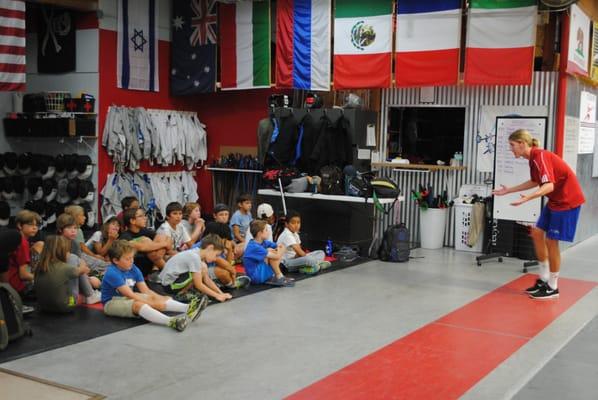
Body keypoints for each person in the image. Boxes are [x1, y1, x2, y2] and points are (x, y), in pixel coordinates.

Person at [493, 129, 585, 300]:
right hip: (555, 201)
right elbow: (536, 181)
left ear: (522, 143)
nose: (511, 149)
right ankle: (543, 279)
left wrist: (527, 198)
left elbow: (548, 186)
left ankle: (553, 287)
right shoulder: (533, 159)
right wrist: (509, 191)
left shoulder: (540, 156)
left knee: (551, 241)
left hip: (567, 201)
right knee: (536, 233)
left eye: (512, 145)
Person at [101, 240, 202, 332]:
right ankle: (170, 321)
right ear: (115, 261)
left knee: (151, 298)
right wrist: (153, 302)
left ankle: (188, 308)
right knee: (139, 304)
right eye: (128, 259)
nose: (131, 261)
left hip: (127, 296)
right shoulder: (112, 273)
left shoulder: (133, 268)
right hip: (111, 302)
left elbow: (146, 291)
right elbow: (131, 295)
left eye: (132, 257)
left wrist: (159, 298)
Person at [158, 234, 232, 303]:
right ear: (210, 248)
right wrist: (217, 296)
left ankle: (185, 291)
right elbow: (198, 284)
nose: (216, 259)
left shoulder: (197, 253)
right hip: (169, 286)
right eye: (216, 255)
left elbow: (207, 279)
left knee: (203, 267)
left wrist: (221, 293)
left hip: (172, 281)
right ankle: (181, 294)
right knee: (202, 268)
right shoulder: (195, 257)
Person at [34, 235, 91, 313]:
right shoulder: (65, 268)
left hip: (43, 306)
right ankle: (89, 294)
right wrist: (80, 261)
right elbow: (84, 269)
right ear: (62, 251)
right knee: (74, 258)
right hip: (65, 306)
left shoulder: (39, 266)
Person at [56, 213, 102, 303]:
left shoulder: (75, 244)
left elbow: (81, 263)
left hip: (74, 276)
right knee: (73, 258)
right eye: (69, 228)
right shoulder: (55, 242)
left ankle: (87, 295)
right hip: (61, 277)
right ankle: (86, 295)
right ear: (60, 230)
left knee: (95, 282)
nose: (73, 231)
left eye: (75, 228)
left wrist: (87, 277)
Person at [198, 222, 251, 290]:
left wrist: (229, 250)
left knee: (226, 270)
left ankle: (221, 283)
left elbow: (228, 264)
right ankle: (233, 284)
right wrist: (232, 272)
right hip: (197, 273)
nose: (226, 241)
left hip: (206, 272)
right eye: (224, 240)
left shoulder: (218, 247)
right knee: (223, 272)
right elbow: (225, 265)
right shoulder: (205, 246)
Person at [119, 208, 172, 275]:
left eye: (144, 215)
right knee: (146, 241)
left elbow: (167, 238)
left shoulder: (144, 230)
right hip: (137, 266)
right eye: (141, 216)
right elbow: (142, 247)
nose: (145, 218)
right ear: (132, 221)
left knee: (161, 237)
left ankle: (155, 269)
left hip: (152, 262)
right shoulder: (125, 236)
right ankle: (168, 273)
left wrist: (164, 245)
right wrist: (164, 244)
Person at [277, 210, 331, 274]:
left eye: (298, 222)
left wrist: (301, 257)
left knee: (321, 253)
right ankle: (315, 265)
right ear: (286, 224)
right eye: (293, 223)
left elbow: (299, 253)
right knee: (309, 260)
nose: (296, 225)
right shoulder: (287, 234)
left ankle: (308, 267)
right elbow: (301, 253)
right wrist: (307, 258)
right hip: (286, 263)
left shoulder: (295, 234)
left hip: (295, 259)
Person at [243, 220, 294, 287]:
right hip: (256, 277)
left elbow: (279, 246)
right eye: (266, 230)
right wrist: (275, 250)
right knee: (272, 254)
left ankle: (276, 276)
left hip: (260, 271)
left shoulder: (264, 242)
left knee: (275, 250)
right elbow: (277, 256)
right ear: (259, 233)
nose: (269, 232)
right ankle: (279, 276)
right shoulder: (254, 247)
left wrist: (275, 249)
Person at [64, 205, 110, 276]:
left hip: (76, 257)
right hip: (80, 256)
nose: (85, 218)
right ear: (76, 216)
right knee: (106, 265)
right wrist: (94, 256)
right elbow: (83, 248)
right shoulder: (77, 230)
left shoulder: (71, 230)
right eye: (82, 215)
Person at [6, 210, 42, 296]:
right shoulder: (23, 243)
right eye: (30, 224)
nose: (35, 228)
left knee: (40, 244)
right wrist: (42, 278)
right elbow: (23, 275)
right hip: (17, 287)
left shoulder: (19, 238)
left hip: (9, 282)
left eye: (36, 225)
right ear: (19, 225)